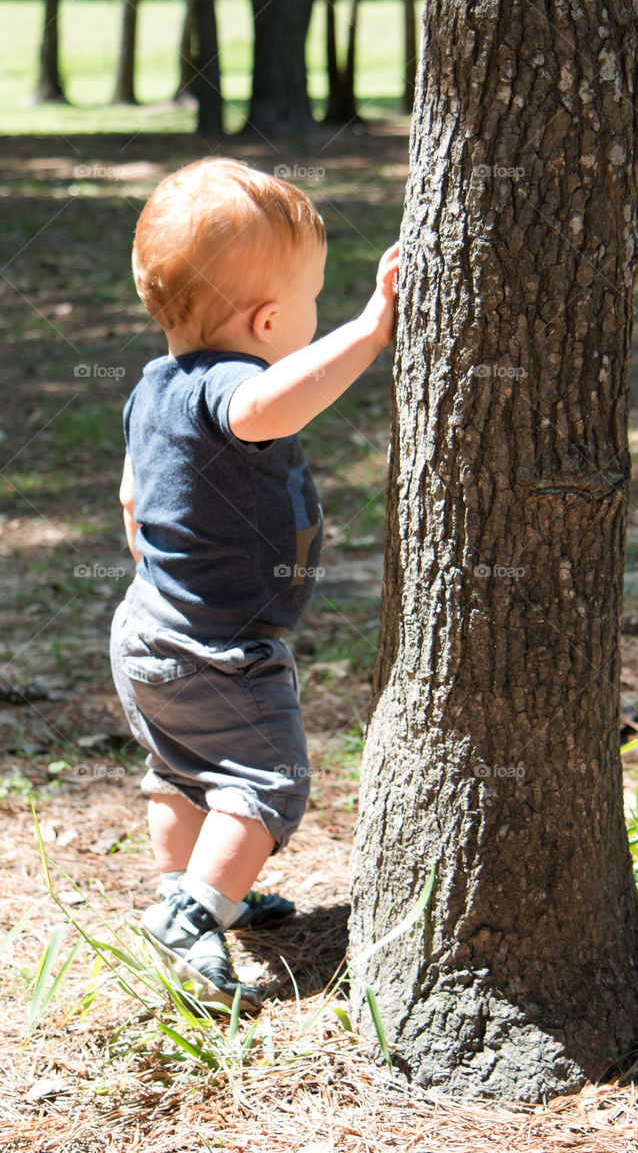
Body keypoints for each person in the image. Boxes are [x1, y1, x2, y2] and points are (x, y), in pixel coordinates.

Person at [110, 156, 399, 1008]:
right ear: (269, 319)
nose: (316, 315)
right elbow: (272, 406)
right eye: (313, 300)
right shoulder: (231, 386)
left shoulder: (150, 388)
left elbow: (132, 495)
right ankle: (196, 910)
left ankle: (186, 892)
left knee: (182, 774)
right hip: (221, 647)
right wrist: (372, 328)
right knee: (267, 782)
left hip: (147, 629)